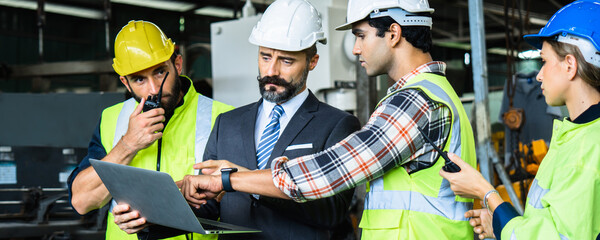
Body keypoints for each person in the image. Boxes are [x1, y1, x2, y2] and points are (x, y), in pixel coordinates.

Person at [177, 0, 478, 239]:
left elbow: (327, 173)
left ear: (394, 33)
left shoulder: (415, 102)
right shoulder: (435, 92)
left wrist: (231, 179)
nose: (356, 48)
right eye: (266, 56)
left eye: (360, 36)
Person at [112, 1, 360, 239]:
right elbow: (209, 210)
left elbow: (332, 212)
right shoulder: (228, 123)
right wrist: (147, 220)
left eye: (286, 61)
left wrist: (242, 181)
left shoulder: (337, 125)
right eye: (265, 57)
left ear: (312, 62)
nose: (271, 71)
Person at [439, 1, 600, 239]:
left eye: (544, 61)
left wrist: (484, 191)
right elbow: (548, 225)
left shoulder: (587, 148)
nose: (538, 74)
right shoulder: (575, 135)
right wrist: (503, 225)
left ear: (570, 65)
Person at [67, 20, 234, 240]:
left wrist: (152, 217)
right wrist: (128, 145)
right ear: (125, 83)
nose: (154, 89)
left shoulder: (224, 117)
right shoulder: (111, 118)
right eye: (139, 79)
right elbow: (82, 202)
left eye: (159, 72)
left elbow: (235, 203)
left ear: (178, 64)